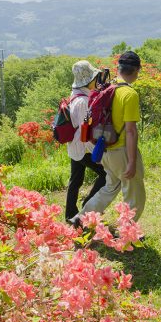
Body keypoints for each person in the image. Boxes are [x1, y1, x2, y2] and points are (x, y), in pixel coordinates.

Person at [73, 51, 145, 223]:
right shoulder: (129, 94)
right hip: (121, 151)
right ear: (136, 70)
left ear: (118, 68)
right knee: (134, 192)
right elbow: (130, 131)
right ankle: (128, 234)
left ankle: (82, 218)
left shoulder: (106, 87)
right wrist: (132, 162)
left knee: (110, 187)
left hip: (104, 150)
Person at [64, 61, 107, 221]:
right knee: (106, 174)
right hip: (82, 148)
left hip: (74, 147)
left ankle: (70, 214)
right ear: (88, 79)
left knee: (75, 180)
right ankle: (88, 205)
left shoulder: (75, 93)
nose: (97, 81)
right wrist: (97, 152)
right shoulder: (83, 101)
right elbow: (85, 132)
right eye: (94, 77)